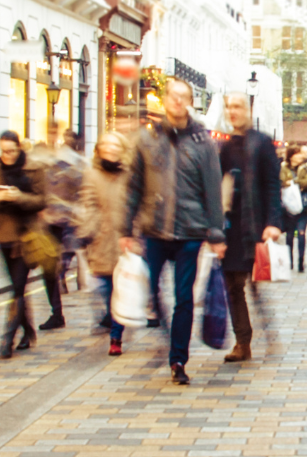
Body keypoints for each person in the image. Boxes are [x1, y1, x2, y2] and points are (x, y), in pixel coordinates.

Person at [121, 77, 225, 385]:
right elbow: (133, 187)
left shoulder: (202, 142)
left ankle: (178, 358)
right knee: (149, 290)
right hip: (154, 229)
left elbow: (213, 190)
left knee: (183, 297)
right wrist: (125, 228)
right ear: (165, 101)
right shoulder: (147, 140)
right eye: (173, 96)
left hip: (190, 233)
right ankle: (166, 335)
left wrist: (216, 233)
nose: (177, 101)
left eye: (184, 97)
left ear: (190, 102)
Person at [218, 93, 283, 363]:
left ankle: (269, 332)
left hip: (255, 224)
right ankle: (242, 342)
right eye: (229, 107)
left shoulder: (262, 142)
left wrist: (273, 223)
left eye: (238, 106)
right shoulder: (224, 146)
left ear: (248, 109)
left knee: (257, 283)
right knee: (233, 286)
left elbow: (272, 185)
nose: (233, 111)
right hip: (231, 228)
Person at [0, 131, 49, 359]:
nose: (7, 156)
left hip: (26, 238)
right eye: (3, 152)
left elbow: (42, 199)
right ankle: (29, 331)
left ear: (19, 149)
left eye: (11, 151)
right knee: (18, 289)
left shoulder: (34, 169)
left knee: (16, 288)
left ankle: (7, 339)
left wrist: (18, 197)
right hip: (4, 238)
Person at [75, 131, 132, 356]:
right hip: (100, 239)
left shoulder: (129, 174)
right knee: (107, 289)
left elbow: (135, 205)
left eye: (115, 145)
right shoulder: (91, 174)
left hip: (124, 240)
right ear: (99, 149)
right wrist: (86, 232)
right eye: (106, 145)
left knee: (121, 290)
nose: (110, 149)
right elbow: (88, 204)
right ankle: (112, 320)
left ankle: (116, 337)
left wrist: (135, 233)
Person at [31, 120, 84, 330]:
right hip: (47, 222)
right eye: (49, 131)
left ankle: (108, 314)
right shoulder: (39, 157)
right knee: (49, 269)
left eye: (55, 132)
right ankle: (56, 313)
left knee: (67, 263)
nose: (52, 135)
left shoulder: (68, 158)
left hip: (66, 221)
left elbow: (80, 186)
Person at [281, 147, 307, 272]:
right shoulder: (284, 168)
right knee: (289, 234)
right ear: (292, 155)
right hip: (289, 205)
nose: (301, 156)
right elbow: (281, 181)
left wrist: (294, 182)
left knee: (301, 232)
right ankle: (289, 261)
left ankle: (301, 260)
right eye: (298, 153)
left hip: (304, 205)